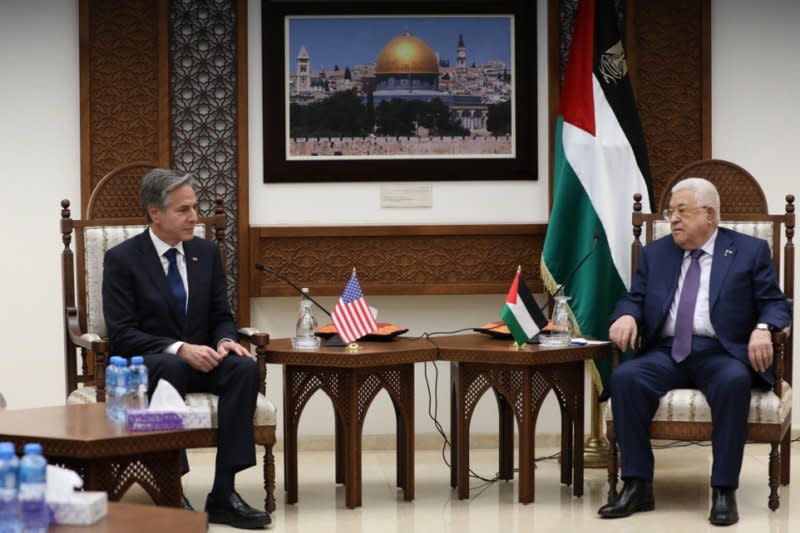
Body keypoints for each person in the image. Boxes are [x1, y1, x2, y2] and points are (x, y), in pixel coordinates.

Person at [598, 178, 791, 526]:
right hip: (667, 350)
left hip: (721, 351)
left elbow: (775, 304)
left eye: (682, 212)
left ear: (710, 215)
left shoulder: (748, 250)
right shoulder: (657, 253)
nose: (672, 219)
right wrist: (626, 313)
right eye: (670, 212)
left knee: (734, 381)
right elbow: (635, 298)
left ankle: (722, 490)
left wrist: (763, 330)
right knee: (626, 378)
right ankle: (637, 485)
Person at [102, 168, 270, 529]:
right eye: (184, 210)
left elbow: (221, 315)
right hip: (154, 364)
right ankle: (171, 489)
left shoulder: (206, 253)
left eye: (195, 207)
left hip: (204, 359)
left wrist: (226, 340)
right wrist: (178, 348)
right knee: (171, 366)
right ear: (155, 213)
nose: (195, 217)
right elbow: (122, 333)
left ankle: (223, 494)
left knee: (243, 367)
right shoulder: (122, 259)